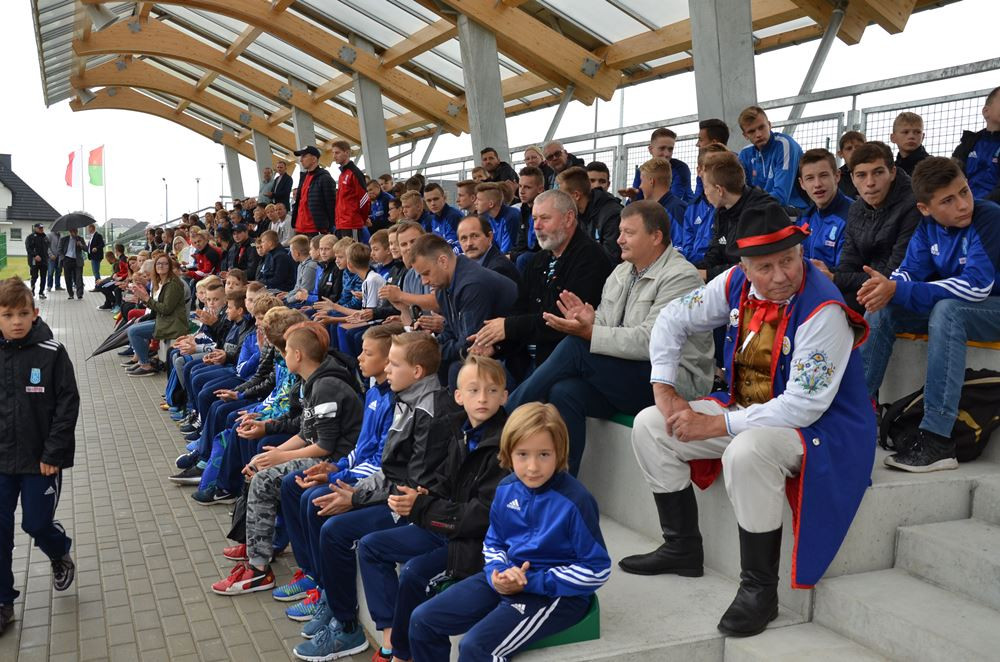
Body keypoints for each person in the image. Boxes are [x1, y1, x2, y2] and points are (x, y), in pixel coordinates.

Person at [622, 204, 875, 639]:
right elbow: (671, 317)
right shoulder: (735, 281)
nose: (780, 276)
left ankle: (759, 590)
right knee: (651, 424)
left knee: (747, 449)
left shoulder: (824, 310)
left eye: (789, 261)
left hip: (824, 429)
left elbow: (803, 407)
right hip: (751, 409)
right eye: (765, 267)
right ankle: (681, 547)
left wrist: (717, 426)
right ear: (744, 265)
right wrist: (663, 387)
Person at [506, 200, 714, 475]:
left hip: (672, 382)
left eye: (629, 232)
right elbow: (606, 322)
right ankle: (562, 484)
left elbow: (650, 342)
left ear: (656, 237)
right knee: (564, 392)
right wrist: (589, 321)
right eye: (619, 232)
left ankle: (505, 417)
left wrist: (591, 332)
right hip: (630, 374)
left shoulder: (681, 278)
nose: (619, 239)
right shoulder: (620, 272)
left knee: (577, 347)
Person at [292, 332, 457, 660]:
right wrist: (353, 487)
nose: (388, 370)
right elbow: (388, 467)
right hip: (396, 497)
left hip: (416, 509)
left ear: (418, 371)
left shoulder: (429, 412)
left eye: (394, 365)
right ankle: (335, 605)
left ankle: (350, 628)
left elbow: (412, 483)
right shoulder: (406, 398)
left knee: (336, 530)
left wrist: (356, 497)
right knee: (317, 504)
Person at [408, 402, 611, 661]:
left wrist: (533, 582)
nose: (533, 467)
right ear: (508, 452)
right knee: (423, 620)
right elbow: (494, 542)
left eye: (544, 455)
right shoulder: (505, 489)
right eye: (523, 454)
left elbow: (597, 569)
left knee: (475, 646)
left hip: (555, 594)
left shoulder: (576, 500)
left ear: (559, 453)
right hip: (506, 578)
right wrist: (498, 575)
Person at [357, 355, 510, 662]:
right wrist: (424, 493)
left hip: (475, 542)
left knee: (415, 573)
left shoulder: (505, 443)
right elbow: (447, 480)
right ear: (458, 396)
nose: (482, 398)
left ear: (505, 396)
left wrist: (424, 506)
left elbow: (483, 516)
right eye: (473, 390)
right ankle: (392, 640)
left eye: (492, 391)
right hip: (446, 524)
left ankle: (401, 654)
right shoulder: (459, 429)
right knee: (371, 546)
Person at [861, 157, 1000, 472]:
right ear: (925, 208)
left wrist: (901, 289)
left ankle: (938, 439)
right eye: (948, 200)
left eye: (964, 191)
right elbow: (910, 274)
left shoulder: (989, 217)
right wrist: (887, 287)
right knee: (885, 307)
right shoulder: (926, 228)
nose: (963, 204)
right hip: (967, 309)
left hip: (992, 307)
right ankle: (857, 413)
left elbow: (978, 287)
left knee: (947, 311)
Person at [212, 322, 364, 596]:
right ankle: (258, 549)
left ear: (298, 355)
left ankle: (258, 570)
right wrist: (270, 454)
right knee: (259, 465)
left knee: (264, 479)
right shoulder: (313, 381)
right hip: (323, 453)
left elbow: (324, 446)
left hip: (336, 461)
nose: (283, 357)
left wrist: (280, 456)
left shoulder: (327, 385)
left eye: (285, 352)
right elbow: (307, 433)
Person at [275, 323, 401, 619]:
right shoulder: (375, 394)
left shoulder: (395, 402)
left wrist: (336, 476)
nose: (358, 358)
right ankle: (312, 574)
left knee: (315, 501)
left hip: (376, 486)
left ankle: (334, 603)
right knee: (294, 485)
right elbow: (363, 446)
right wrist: (337, 466)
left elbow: (383, 462)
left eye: (367, 353)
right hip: (355, 471)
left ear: (388, 362)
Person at [0, 278, 80, 634]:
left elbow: (67, 404)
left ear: (35, 313)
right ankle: (4, 603)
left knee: (35, 523)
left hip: (40, 461)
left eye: (22, 313)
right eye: (7, 314)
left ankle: (58, 550)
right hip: (1, 462)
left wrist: (54, 453)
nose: (16, 321)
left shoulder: (51, 352)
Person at [471, 190, 613, 381]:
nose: (536, 226)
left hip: (562, 364)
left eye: (545, 218)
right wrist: (496, 345)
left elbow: (561, 322)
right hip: (523, 358)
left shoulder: (590, 258)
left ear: (568, 218)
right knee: (471, 373)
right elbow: (520, 310)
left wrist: (508, 327)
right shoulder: (538, 260)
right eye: (534, 218)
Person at [409, 234, 518, 385]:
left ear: (443, 261)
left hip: (511, 355)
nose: (424, 281)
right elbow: (450, 332)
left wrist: (431, 353)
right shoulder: (444, 286)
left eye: (426, 273)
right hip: (489, 352)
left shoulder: (472, 285)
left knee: (456, 369)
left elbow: (469, 344)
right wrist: (427, 346)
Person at [834, 141, 921, 313]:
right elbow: (848, 262)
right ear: (852, 178)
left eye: (878, 172)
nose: (870, 183)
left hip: (904, 289)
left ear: (893, 172)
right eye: (861, 175)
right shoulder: (856, 209)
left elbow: (895, 271)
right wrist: (831, 278)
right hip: (867, 284)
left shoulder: (913, 205)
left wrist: (836, 278)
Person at [698, 150, 777, 281]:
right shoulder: (722, 210)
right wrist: (691, 270)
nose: (705, 192)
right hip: (728, 280)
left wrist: (708, 274)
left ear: (719, 190)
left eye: (706, 187)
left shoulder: (761, 212)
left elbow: (753, 266)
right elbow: (715, 252)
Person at [125, 256, 190, 377]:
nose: (161, 266)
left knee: (134, 331)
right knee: (135, 327)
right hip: (163, 320)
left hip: (173, 323)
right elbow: (156, 305)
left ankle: (145, 365)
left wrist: (146, 298)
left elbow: (166, 309)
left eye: (165, 264)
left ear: (170, 266)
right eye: (158, 264)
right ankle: (142, 360)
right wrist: (143, 297)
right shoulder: (160, 282)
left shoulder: (173, 284)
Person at [796, 148, 853, 273]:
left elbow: (848, 272)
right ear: (802, 184)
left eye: (823, 175)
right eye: (810, 178)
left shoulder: (853, 215)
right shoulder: (805, 217)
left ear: (837, 176)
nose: (817, 184)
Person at [737, 106, 806, 208]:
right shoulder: (745, 154)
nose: (758, 134)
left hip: (794, 211)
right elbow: (739, 193)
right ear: (745, 135)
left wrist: (747, 205)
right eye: (752, 131)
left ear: (769, 125)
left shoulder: (784, 145)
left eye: (761, 127)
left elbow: (781, 197)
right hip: (761, 211)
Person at [557, 166, 624, 262]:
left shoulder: (611, 214)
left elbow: (611, 257)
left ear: (576, 195)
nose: (561, 200)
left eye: (563, 195)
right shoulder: (577, 213)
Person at [678, 144, 728, 265]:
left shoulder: (729, 204)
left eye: (719, 166)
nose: (714, 171)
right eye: (709, 166)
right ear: (699, 170)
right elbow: (687, 245)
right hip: (693, 268)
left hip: (717, 269)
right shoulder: (693, 207)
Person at [620, 127, 694, 203]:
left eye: (670, 149)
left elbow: (673, 200)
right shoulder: (642, 170)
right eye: (662, 148)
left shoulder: (680, 168)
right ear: (650, 149)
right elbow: (636, 202)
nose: (666, 154)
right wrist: (633, 197)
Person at [953, 86, 1000, 202]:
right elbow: (950, 175)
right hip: (962, 207)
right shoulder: (968, 144)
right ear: (986, 111)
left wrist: (981, 206)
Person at [635, 157, 688, 248]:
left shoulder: (675, 210)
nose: (640, 186)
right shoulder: (657, 209)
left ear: (651, 181)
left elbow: (681, 248)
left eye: (642, 181)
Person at [458, 215, 521, 285]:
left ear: (490, 237)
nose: (469, 243)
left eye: (475, 236)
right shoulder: (464, 267)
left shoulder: (498, 269)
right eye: (463, 238)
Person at [291, 145, 337, 236]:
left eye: (304, 156)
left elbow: (331, 205)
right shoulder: (303, 178)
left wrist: (328, 227)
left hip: (315, 229)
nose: (301, 160)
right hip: (299, 228)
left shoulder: (325, 178)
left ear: (314, 159)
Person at [331, 140, 371, 241]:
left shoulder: (354, 173)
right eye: (333, 153)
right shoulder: (342, 174)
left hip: (352, 223)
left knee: (352, 254)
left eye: (337, 152)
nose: (334, 156)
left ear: (347, 153)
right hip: (342, 223)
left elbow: (364, 199)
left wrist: (362, 218)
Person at [511, 166, 546, 270]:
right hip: (527, 254)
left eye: (527, 187)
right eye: (520, 186)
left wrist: (513, 256)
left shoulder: (547, 209)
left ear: (540, 189)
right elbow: (521, 243)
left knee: (523, 259)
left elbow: (543, 246)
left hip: (544, 256)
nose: (521, 191)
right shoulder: (524, 209)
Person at [474, 183, 519, 254]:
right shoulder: (487, 217)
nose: (475, 203)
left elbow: (505, 253)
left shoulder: (511, 217)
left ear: (491, 204)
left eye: (479, 200)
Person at [423, 183, 463, 252]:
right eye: (429, 200)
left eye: (436, 199)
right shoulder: (433, 218)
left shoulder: (453, 216)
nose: (432, 203)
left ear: (444, 198)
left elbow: (451, 247)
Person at [285, 235, 321, 306]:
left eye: (291, 251)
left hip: (306, 302)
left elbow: (304, 291)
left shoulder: (310, 267)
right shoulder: (301, 265)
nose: (290, 254)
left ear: (296, 253)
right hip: (297, 298)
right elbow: (297, 287)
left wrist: (287, 299)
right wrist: (287, 295)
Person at [57, 228, 86, 300]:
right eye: (74, 232)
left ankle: (79, 294)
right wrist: (63, 258)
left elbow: (86, 249)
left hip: (77, 261)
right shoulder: (64, 239)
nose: (75, 233)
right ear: (70, 231)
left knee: (79, 278)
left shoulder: (80, 239)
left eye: (76, 231)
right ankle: (70, 294)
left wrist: (81, 245)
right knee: (68, 278)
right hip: (67, 260)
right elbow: (59, 250)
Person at [836, 131, 866, 199]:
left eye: (858, 147)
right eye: (849, 148)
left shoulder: (875, 171)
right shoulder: (836, 177)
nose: (854, 151)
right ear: (840, 154)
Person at [24, 223, 49, 300]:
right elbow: (28, 249)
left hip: (44, 261)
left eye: (42, 228)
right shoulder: (30, 237)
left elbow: (47, 247)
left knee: (44, 277)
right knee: (34, 276)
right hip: (34, 261)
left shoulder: (45, 237)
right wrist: (35, 255)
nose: (42, 229)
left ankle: (41, 292)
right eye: (40, 228)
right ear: (35, 228)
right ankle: (32, 290)